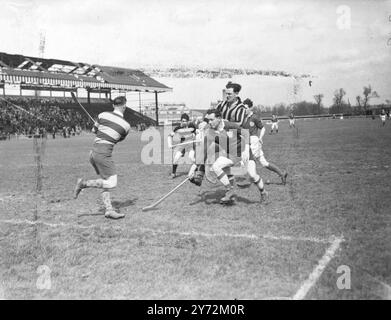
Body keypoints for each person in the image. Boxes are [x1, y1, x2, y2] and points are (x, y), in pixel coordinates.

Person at [188, 109, 268, 204]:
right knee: (216, 166)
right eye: (208, 120)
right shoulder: (210, 132)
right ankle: (230, 190)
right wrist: (193, 168)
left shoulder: (229, 126)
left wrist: (246, 149)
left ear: (219, 118)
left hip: (244, 153)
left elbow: (245, 133)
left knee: (252, 175)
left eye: (212, 119)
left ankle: (263, 192)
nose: (209, 122)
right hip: (231, 156)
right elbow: (203, 151)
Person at [73, 96, 131, 219]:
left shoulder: (102, 114)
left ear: (113, 105)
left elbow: (94, 130)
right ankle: (83, 184)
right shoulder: (126, 126)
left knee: (105, 182)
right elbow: (118, 139)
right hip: (103, 154)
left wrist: (100, 126)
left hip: (93, 153)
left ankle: (109, 210)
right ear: (124, 106)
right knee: (112, 182)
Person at [241, 99, 288, 185]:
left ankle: (252, 179)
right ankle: (282, 174)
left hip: (253, 141)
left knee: (247, 160)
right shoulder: (243, 118)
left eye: (245, 108)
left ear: (250, 108)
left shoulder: (254, 117)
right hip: (247, 141)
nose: (244, 110)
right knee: (264, 163)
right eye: (243, 108)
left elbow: (262, 128)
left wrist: (260, 138)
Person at [167, 113, 196, 178]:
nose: (184, 122)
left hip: (190, 145)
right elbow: (169, 136)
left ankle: (197, 169)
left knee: (191, 157)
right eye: (183, 121)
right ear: (181, 121)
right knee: (176, 158)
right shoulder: (178, 128)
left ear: (188, 121)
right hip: (182, 146)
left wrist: (198, 136)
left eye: (185, 121)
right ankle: (173, 174)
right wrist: (169, 144)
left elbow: (197, 133)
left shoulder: (192, 127)